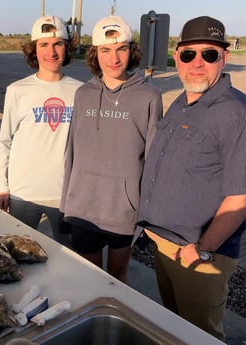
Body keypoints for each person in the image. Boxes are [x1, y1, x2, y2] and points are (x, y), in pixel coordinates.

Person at [134, 16, 246, 341]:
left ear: (223, 58)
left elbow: (240, 197)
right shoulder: (183, 101)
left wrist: (202, 249)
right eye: (188, 54)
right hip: (166, 246)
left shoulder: (236, 113)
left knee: (199, 336)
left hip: (198, 254)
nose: (197, 63)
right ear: (177, 56)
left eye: (209, 55)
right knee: (174, 329)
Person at [60, 15, 163, 282]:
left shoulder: (150, 96)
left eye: (122, 49)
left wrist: (146, 214)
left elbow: (153, 160)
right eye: (106, 50)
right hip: (83, 209)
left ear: (132, 51)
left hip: (123, 211)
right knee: (89, 278)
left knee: (117, 278)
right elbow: (72, 152)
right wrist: (66, 205)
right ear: (95, 53)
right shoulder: (83, 94)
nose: (114, 58)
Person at [0, 15, 83, 246]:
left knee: (69, 259)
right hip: (23, 193)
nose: (51, 52)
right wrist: (3, 188)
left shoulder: (81, 91)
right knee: (19, 253)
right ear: (34, 49)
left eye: (58, 44)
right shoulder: (17, 90)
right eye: (43, 44)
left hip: (63, 194)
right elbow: (4, 142)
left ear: (67, 48)